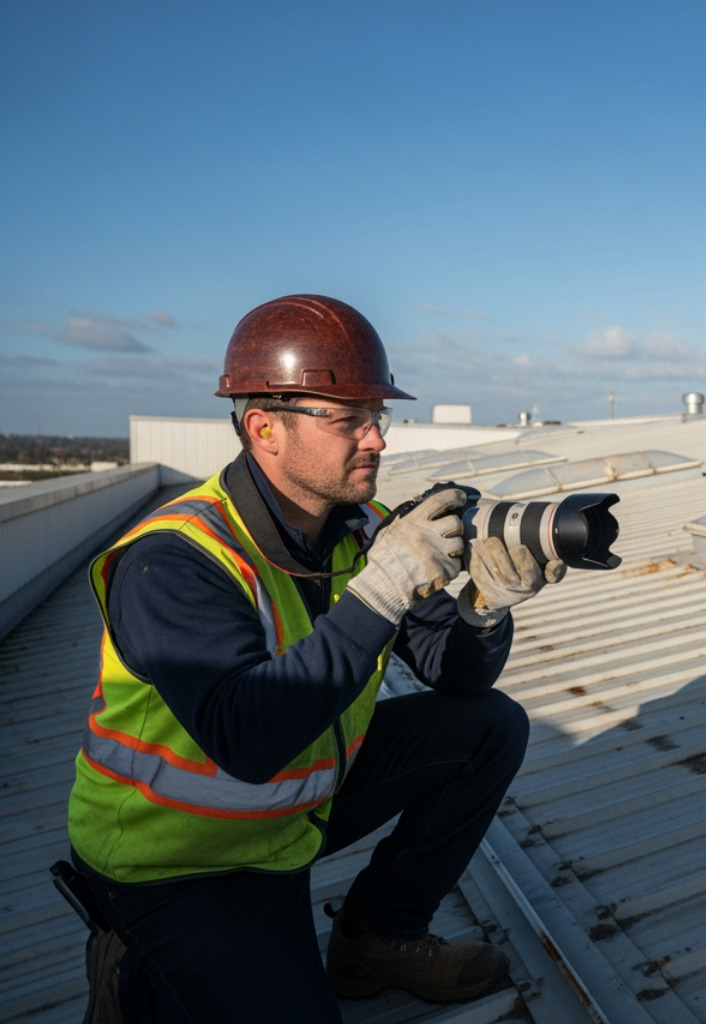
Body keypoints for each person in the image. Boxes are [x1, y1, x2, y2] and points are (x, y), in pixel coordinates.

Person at [64, 294, 561, 1023]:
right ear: (265, 429)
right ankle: (135, 966)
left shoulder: (361, 528)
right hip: (178, 859)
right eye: (349, 418)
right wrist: (383, 589)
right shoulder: (172, 560)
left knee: (489, 727)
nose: (377, 441)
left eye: (377, 417)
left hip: (294, 809)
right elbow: (248, 738)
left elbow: (453, 674)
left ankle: (377, 939)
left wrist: (484, 607)